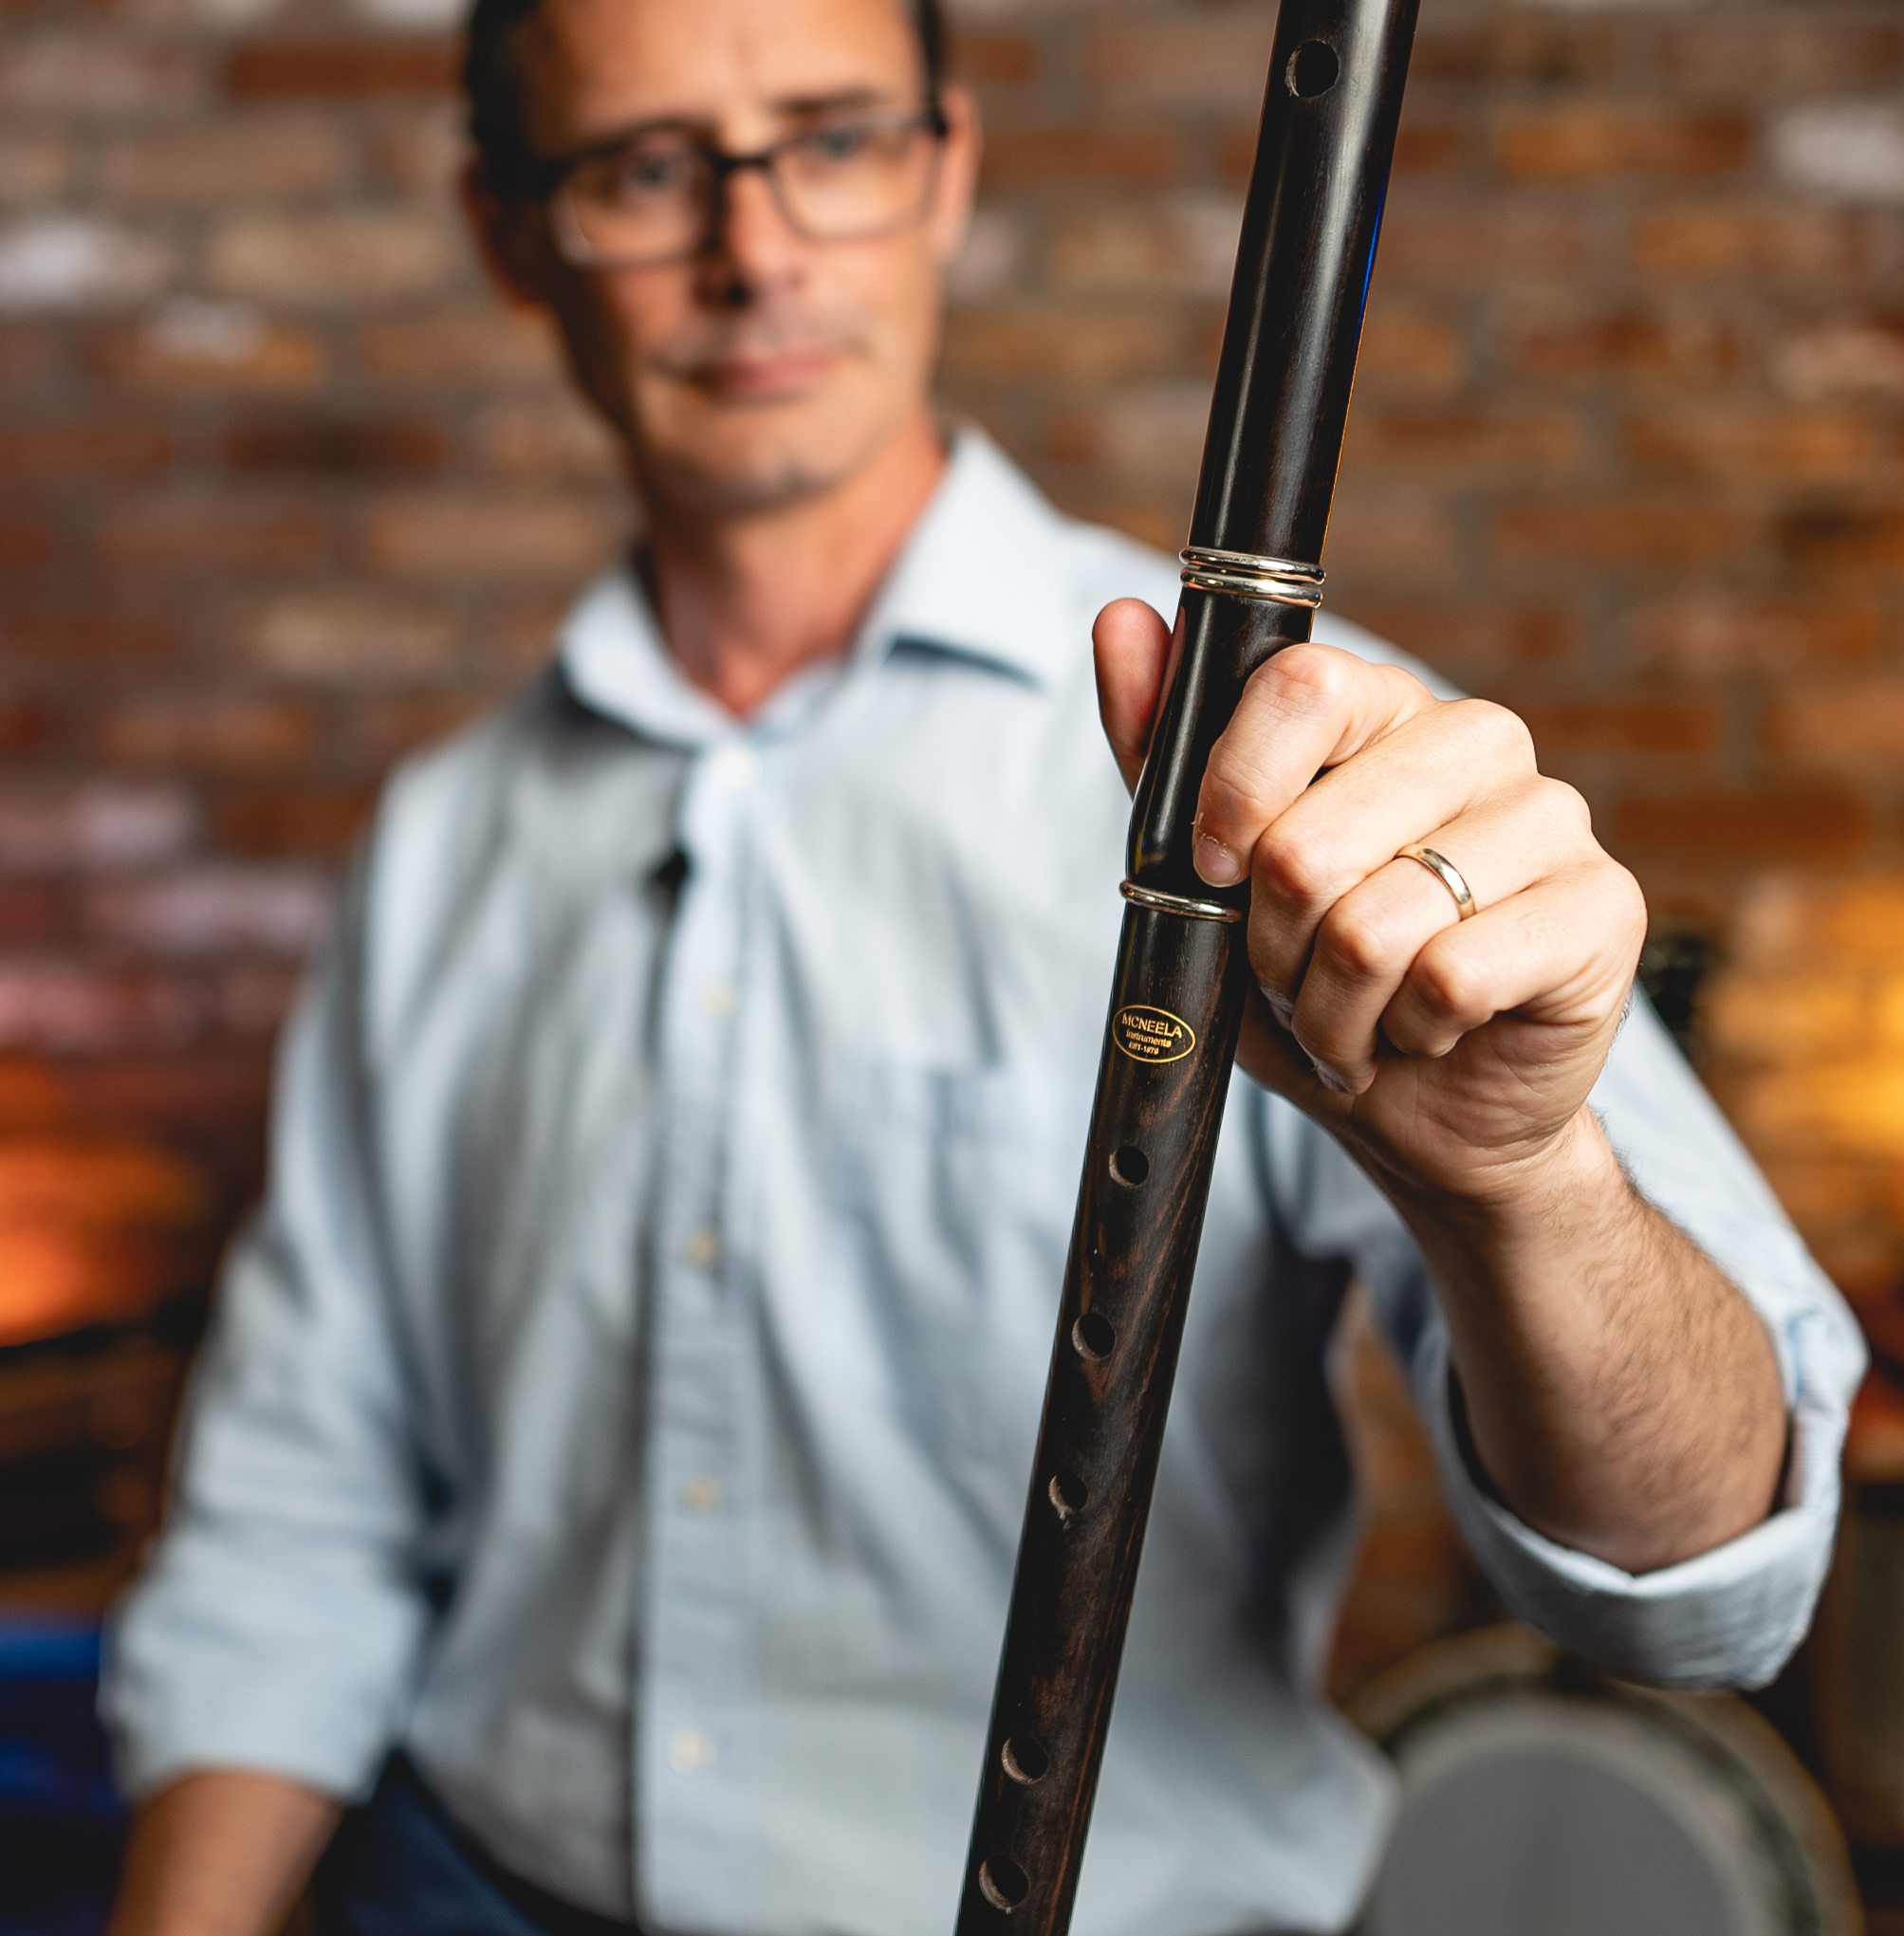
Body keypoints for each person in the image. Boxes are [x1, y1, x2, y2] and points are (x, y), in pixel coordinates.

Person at [100, 0, 1864, 1931]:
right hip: (463, 1889)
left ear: (943, 168)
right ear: (512, 235)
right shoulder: (443, 839)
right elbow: (300, 1503)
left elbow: (1712, 1570)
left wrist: (1522, 1186)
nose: (754, 247)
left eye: (831, 140)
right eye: (644, 167)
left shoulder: (1297, 773)